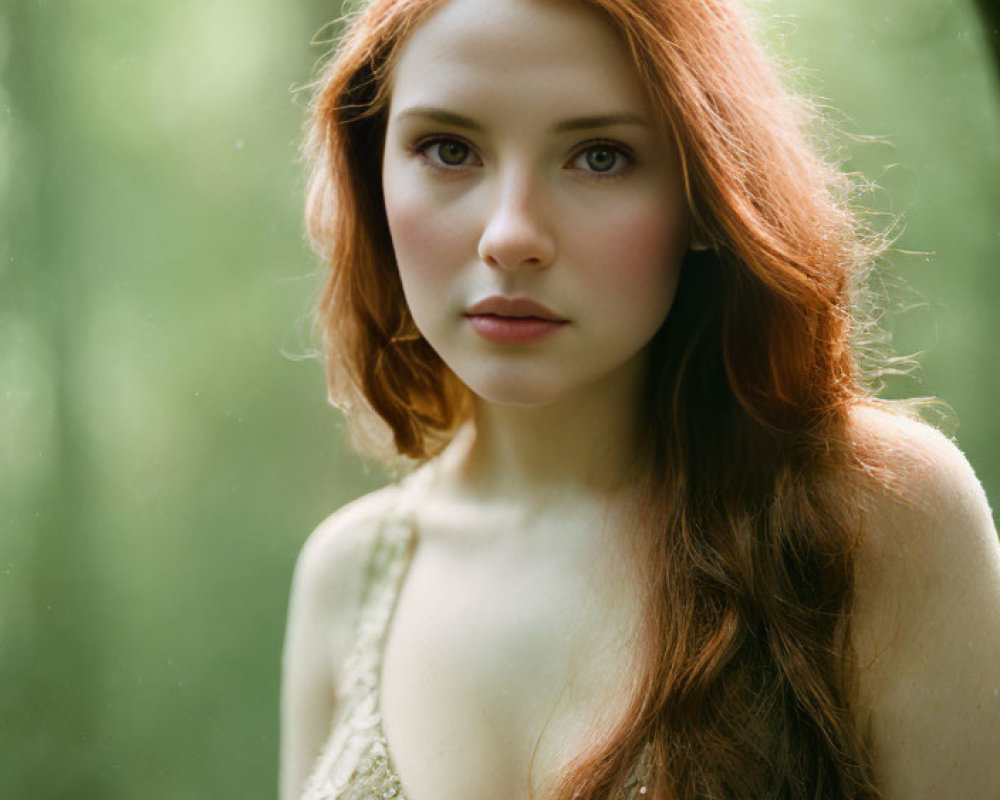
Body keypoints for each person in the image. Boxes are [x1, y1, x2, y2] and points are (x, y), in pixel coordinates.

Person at [280, 0, 1000, 798]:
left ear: (705, 195)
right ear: (372, 170)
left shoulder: (879, 517)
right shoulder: (346, 579)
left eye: (600, 156)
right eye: (449, 149)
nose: (511, 234)